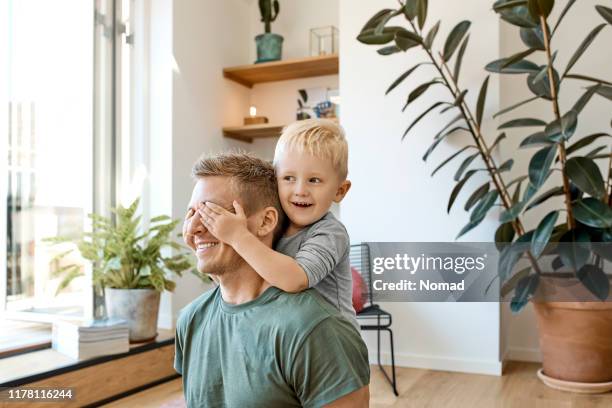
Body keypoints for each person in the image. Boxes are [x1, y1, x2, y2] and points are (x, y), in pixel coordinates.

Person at [176, 152, 370, 407]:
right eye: (191, 213)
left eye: (212, 212)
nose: (194, 227)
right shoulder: (191, 320)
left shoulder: (315, 329)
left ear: (266, 221)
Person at [199, 119, 358, 330]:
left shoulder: (330, 233)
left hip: (332, 342)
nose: (300, 190)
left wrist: (238, 236)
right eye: (289, 178)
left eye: (314, 180)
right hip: (291, 334)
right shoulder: (275, 224)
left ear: (340, 191)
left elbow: (295, 279)